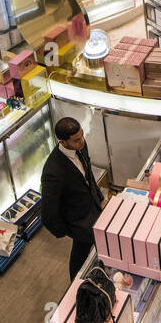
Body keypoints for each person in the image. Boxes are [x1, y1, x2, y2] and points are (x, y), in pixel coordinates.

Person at [41, 117, 106, 279]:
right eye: (77, 140)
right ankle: (76, 285)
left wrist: (100, 197)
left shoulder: (82, 147)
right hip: (79, 222)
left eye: (82, 135)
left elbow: (88, 175)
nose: (82, 141)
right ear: (62, 142)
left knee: (100, 246)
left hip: (94, 208)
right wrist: (68, 230)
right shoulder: (53, 170)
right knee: (80, 255)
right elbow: (48, 212)